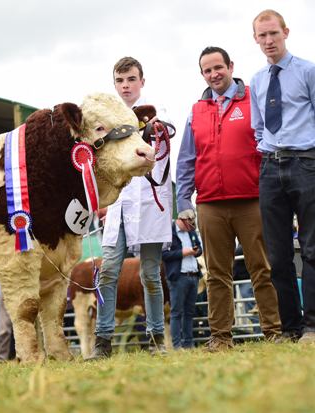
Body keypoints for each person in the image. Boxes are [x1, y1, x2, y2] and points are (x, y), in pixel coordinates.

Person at [177, 46, 282, 351]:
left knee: (261, 268)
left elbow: (269, 144)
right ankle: (220, 337)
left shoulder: (254, 99)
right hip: (210, 203)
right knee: (216, 274)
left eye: (218, 67)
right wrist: (183, 202)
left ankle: (273, 331)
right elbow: (186, 160)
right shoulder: (196, 111)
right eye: (207, 70)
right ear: (202, 74)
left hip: (252, 199)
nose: (214, 74)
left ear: (230, 66)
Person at [90, 56, 172, 358]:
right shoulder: (108, 119)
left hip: (149, 203)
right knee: (108, 270)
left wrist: (154, 129)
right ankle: (103, 341)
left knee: (150, 274)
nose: (126, 86)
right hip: (118, 205)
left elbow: (162, 147)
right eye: (120, 81)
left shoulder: (157, 113)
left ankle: (156, 338)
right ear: (115, 84)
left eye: (131, 80)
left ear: (142, 81)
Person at [250, 9, 315, 343]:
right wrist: (269, 152)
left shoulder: (308, 71)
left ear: (285, 32)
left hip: (306, 163)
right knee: (276, 254)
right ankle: (289, 329)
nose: (268, 41)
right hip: (270, 167)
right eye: (262, 35)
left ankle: (312, 327)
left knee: (311, 247)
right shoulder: (257, 81)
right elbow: (258, 127)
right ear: (255, 39)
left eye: (273, 33)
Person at [162, 217, 202, 349]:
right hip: (178, 277)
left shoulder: (191, 231)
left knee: (189, 312)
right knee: (177, 312)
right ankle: (177, 346)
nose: (191, 225)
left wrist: (196, 251)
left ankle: (188, 344)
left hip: (193, 275)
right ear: (181, 219)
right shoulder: (169, 232)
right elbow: (164, 255)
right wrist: (183, 253)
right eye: (189, 222)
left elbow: (200, 248)